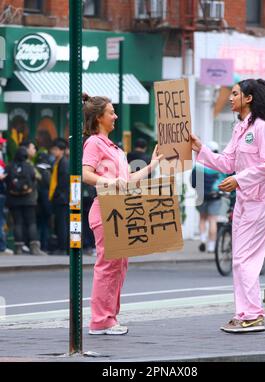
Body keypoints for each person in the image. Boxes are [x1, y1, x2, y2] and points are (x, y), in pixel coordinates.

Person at [191, 78, 265, 333]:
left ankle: (253, 314)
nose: (230, 98)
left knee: (244, 258)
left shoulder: (262, 127)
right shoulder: (240, 128)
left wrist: (238, 179)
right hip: (244, 200)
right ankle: (244, 313)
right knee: (238, 259)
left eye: (234, 94)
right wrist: (201, 149)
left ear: (248, 98)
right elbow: (227, 162)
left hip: (261, 202)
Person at [82, 93, 162, 335]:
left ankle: (110, 318)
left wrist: (151, 166)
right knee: (108, 265)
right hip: (106, 210)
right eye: (111, 112)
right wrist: (110, 181)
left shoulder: (112, 146)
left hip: (119, 209)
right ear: (99, 117)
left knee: (118, 266)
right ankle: (100, 321)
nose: (115, 116)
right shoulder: (94, 143)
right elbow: (85, 174)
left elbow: (126, 180)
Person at [5, 146, 47, 256]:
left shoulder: (10, 166)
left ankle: (18, 248)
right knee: (31, 223)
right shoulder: (29, 166)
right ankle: (34, 248)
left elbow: (5, 181)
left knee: (17, 222)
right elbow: (36, 179)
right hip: (28, 199)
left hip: (13, 199)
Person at [191, 141, 226, 253]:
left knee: (202, 218)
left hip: (201, 196)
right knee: (213, 221)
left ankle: (202, 239)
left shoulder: (199, 164)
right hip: (215, 196)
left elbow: (193, 182)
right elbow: (223, 180)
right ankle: (211, 246)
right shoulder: (219, 165)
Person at [48, 138, 69, 255]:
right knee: (60, 223)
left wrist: (59, 195)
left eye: (56, 150)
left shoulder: (63, 163)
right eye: (53, 149)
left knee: (62, 224)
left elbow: (64, 183)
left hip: (63, 199)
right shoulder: (57, 162)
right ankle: (62, 246)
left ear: (61, 151)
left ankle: (63, 247)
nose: (53, 152)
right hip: (60, 198)